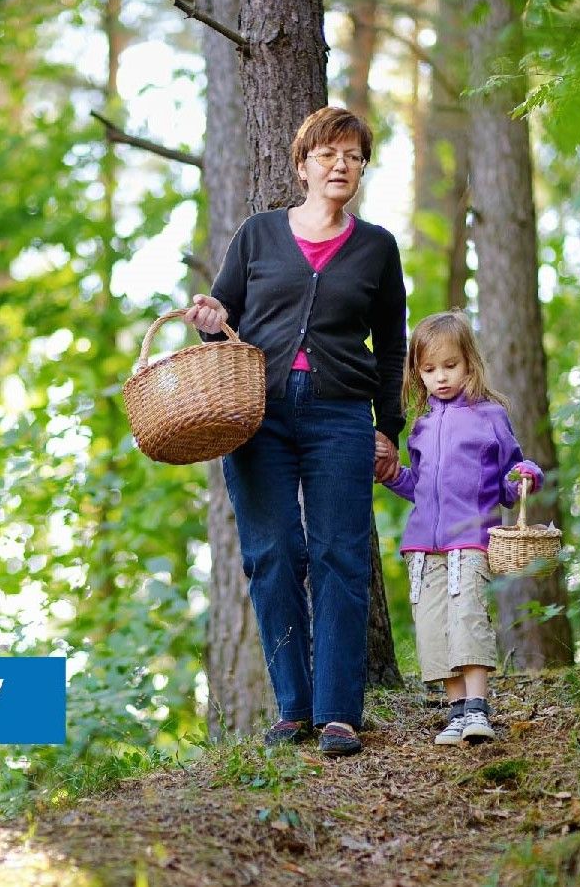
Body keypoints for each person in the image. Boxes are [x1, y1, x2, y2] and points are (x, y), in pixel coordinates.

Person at [183, 107, 407, 757]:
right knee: (273, 553)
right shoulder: (258, 235)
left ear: (362, 168)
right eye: (329, 155)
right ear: (302, 163)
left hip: (341, 416)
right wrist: (208, 314)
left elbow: (392, 346)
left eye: (354, 157)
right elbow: (221, 314)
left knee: (341, 554)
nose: (341, 166)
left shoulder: (377, 248)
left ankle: (339, 712)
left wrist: (386, 428)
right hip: (257, 414)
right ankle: (293, 708)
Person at [378, 310, 542, 745]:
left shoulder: (490, 416)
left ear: (470, 362)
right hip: (422, 545)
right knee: (432, 626)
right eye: (429, 370)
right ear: (418, 373)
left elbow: (510, 480)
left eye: (450, 366)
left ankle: (478, 709)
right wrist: (393, 475)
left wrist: (526, 476)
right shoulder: (422, 425)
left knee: (467, 618)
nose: (441, 378)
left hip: (471, 539)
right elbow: (420, 486)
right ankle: (454, 711)